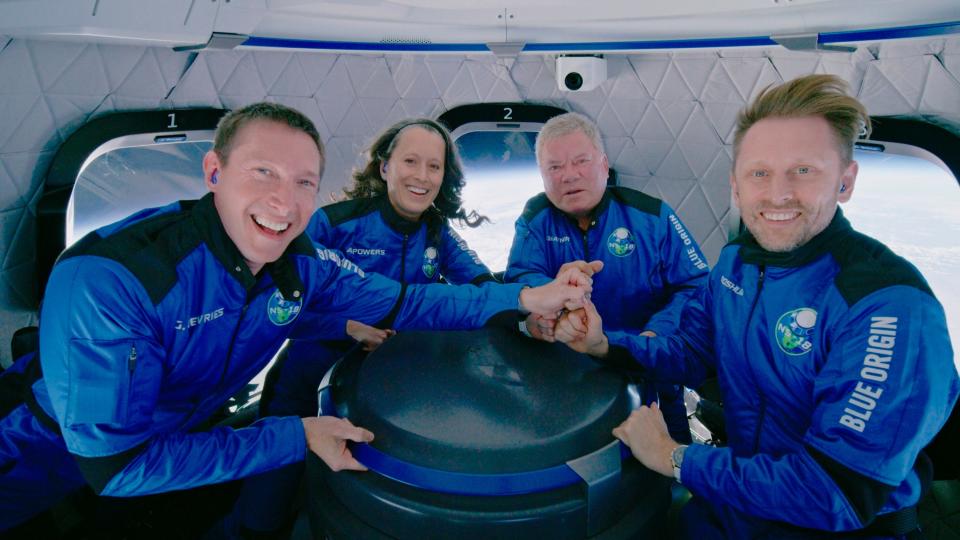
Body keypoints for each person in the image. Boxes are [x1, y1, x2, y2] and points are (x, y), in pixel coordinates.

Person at [0, 102, 599, 533]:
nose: (284, 202)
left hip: (183, 440)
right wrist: (298, 433)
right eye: (264, 172)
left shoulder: (304, 264)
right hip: (38, 446)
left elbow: (408, 301)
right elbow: (119, 466)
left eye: (303, 182)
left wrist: (526, 302)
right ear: (214, 173)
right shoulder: (116, 279)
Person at [555, 75, 958, 538]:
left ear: (845, 182)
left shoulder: (888, 307)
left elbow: (836, 493)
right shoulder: (737, 264)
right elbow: (689, 352)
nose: (778, 193)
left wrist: (674, 457)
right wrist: (604, 344)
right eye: (759, 173)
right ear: (736, 185)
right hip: (735, 506)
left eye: (804, 170)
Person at [230, 117, 498, 537]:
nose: (422, 176)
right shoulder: (333, 224)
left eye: (434, 166)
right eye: (410, 161)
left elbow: (483, 283)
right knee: (270, 495)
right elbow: (281, 303)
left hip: (386, 381)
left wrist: (531, 303)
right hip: (310, 370)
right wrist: (348, 326)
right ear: (384, 166)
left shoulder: (436, 232)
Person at [504, 111, 708, 443]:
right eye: (554, 167)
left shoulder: (653, 216)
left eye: (581, 161)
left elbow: (696, 285)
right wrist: (555, 290)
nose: (569, 176)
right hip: (568, 374)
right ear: (542, 176)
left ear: (604, 164)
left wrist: (656, 333)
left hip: (646, 365)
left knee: (665, 466)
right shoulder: (535, 219)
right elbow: (519, 279)